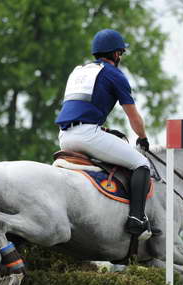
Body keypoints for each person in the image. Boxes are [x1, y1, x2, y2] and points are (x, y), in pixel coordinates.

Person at [55, 29, 153, 239]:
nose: (121, 57)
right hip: (87, 134)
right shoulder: (114, 74)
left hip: (64, 136)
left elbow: (78, 108)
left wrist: (104, 130)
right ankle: (137, 219)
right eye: (121, 53)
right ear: (116, 54)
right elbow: (133, 117)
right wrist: (143, 138)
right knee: (141, 164)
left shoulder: (79, 71)